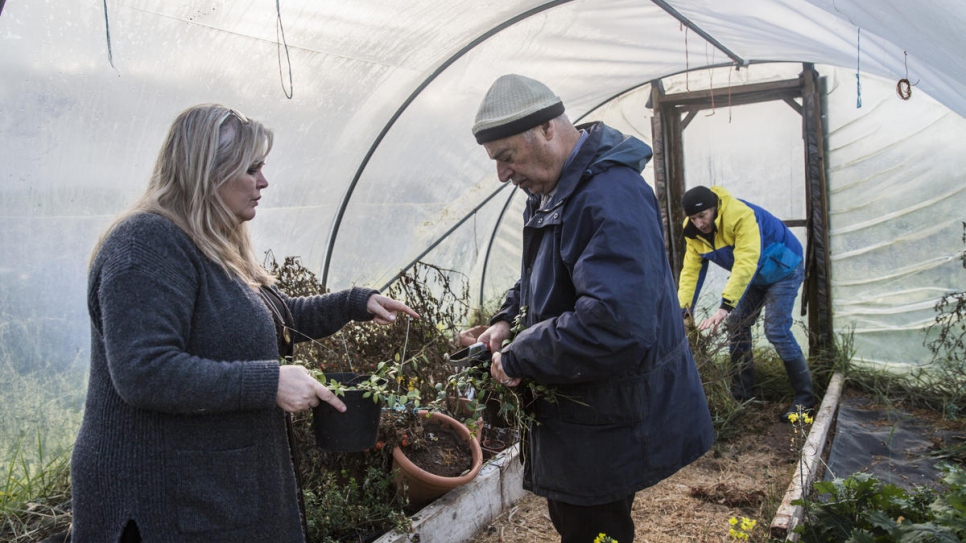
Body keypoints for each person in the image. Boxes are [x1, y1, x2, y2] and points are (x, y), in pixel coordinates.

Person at [70, 104, 419, 543]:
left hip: (210, 492)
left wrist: (356, 302)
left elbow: (271, 321)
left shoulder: (211, 242)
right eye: (251, 169)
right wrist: (268, 382)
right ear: (207, 171)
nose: (264, 182)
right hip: (162, 502)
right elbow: (144, 372)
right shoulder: (147, 244)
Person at [469, 74, 714, 543]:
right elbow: (544, 273)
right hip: (588, 413)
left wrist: (521, 354)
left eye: (506, 156)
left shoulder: (608, 196)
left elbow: (614, 323)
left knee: (595, 529)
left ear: (546, 130)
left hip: (608, 417)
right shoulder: (553, 188)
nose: (501, 174)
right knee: (583, 524)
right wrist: (505, 320)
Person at [677, 184, 815, 421]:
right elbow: (691, 271)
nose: (699, 223)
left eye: (702, 215)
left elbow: (746, 260)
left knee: (776, 330)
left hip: (783, 269)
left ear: (715, 208)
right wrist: (682, 310)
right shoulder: (693, 232)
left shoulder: (739, 215)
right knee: (736, 325)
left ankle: (805, 400)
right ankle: (741, 393)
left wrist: (725, 306)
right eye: (693, 218)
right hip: (755, 276)